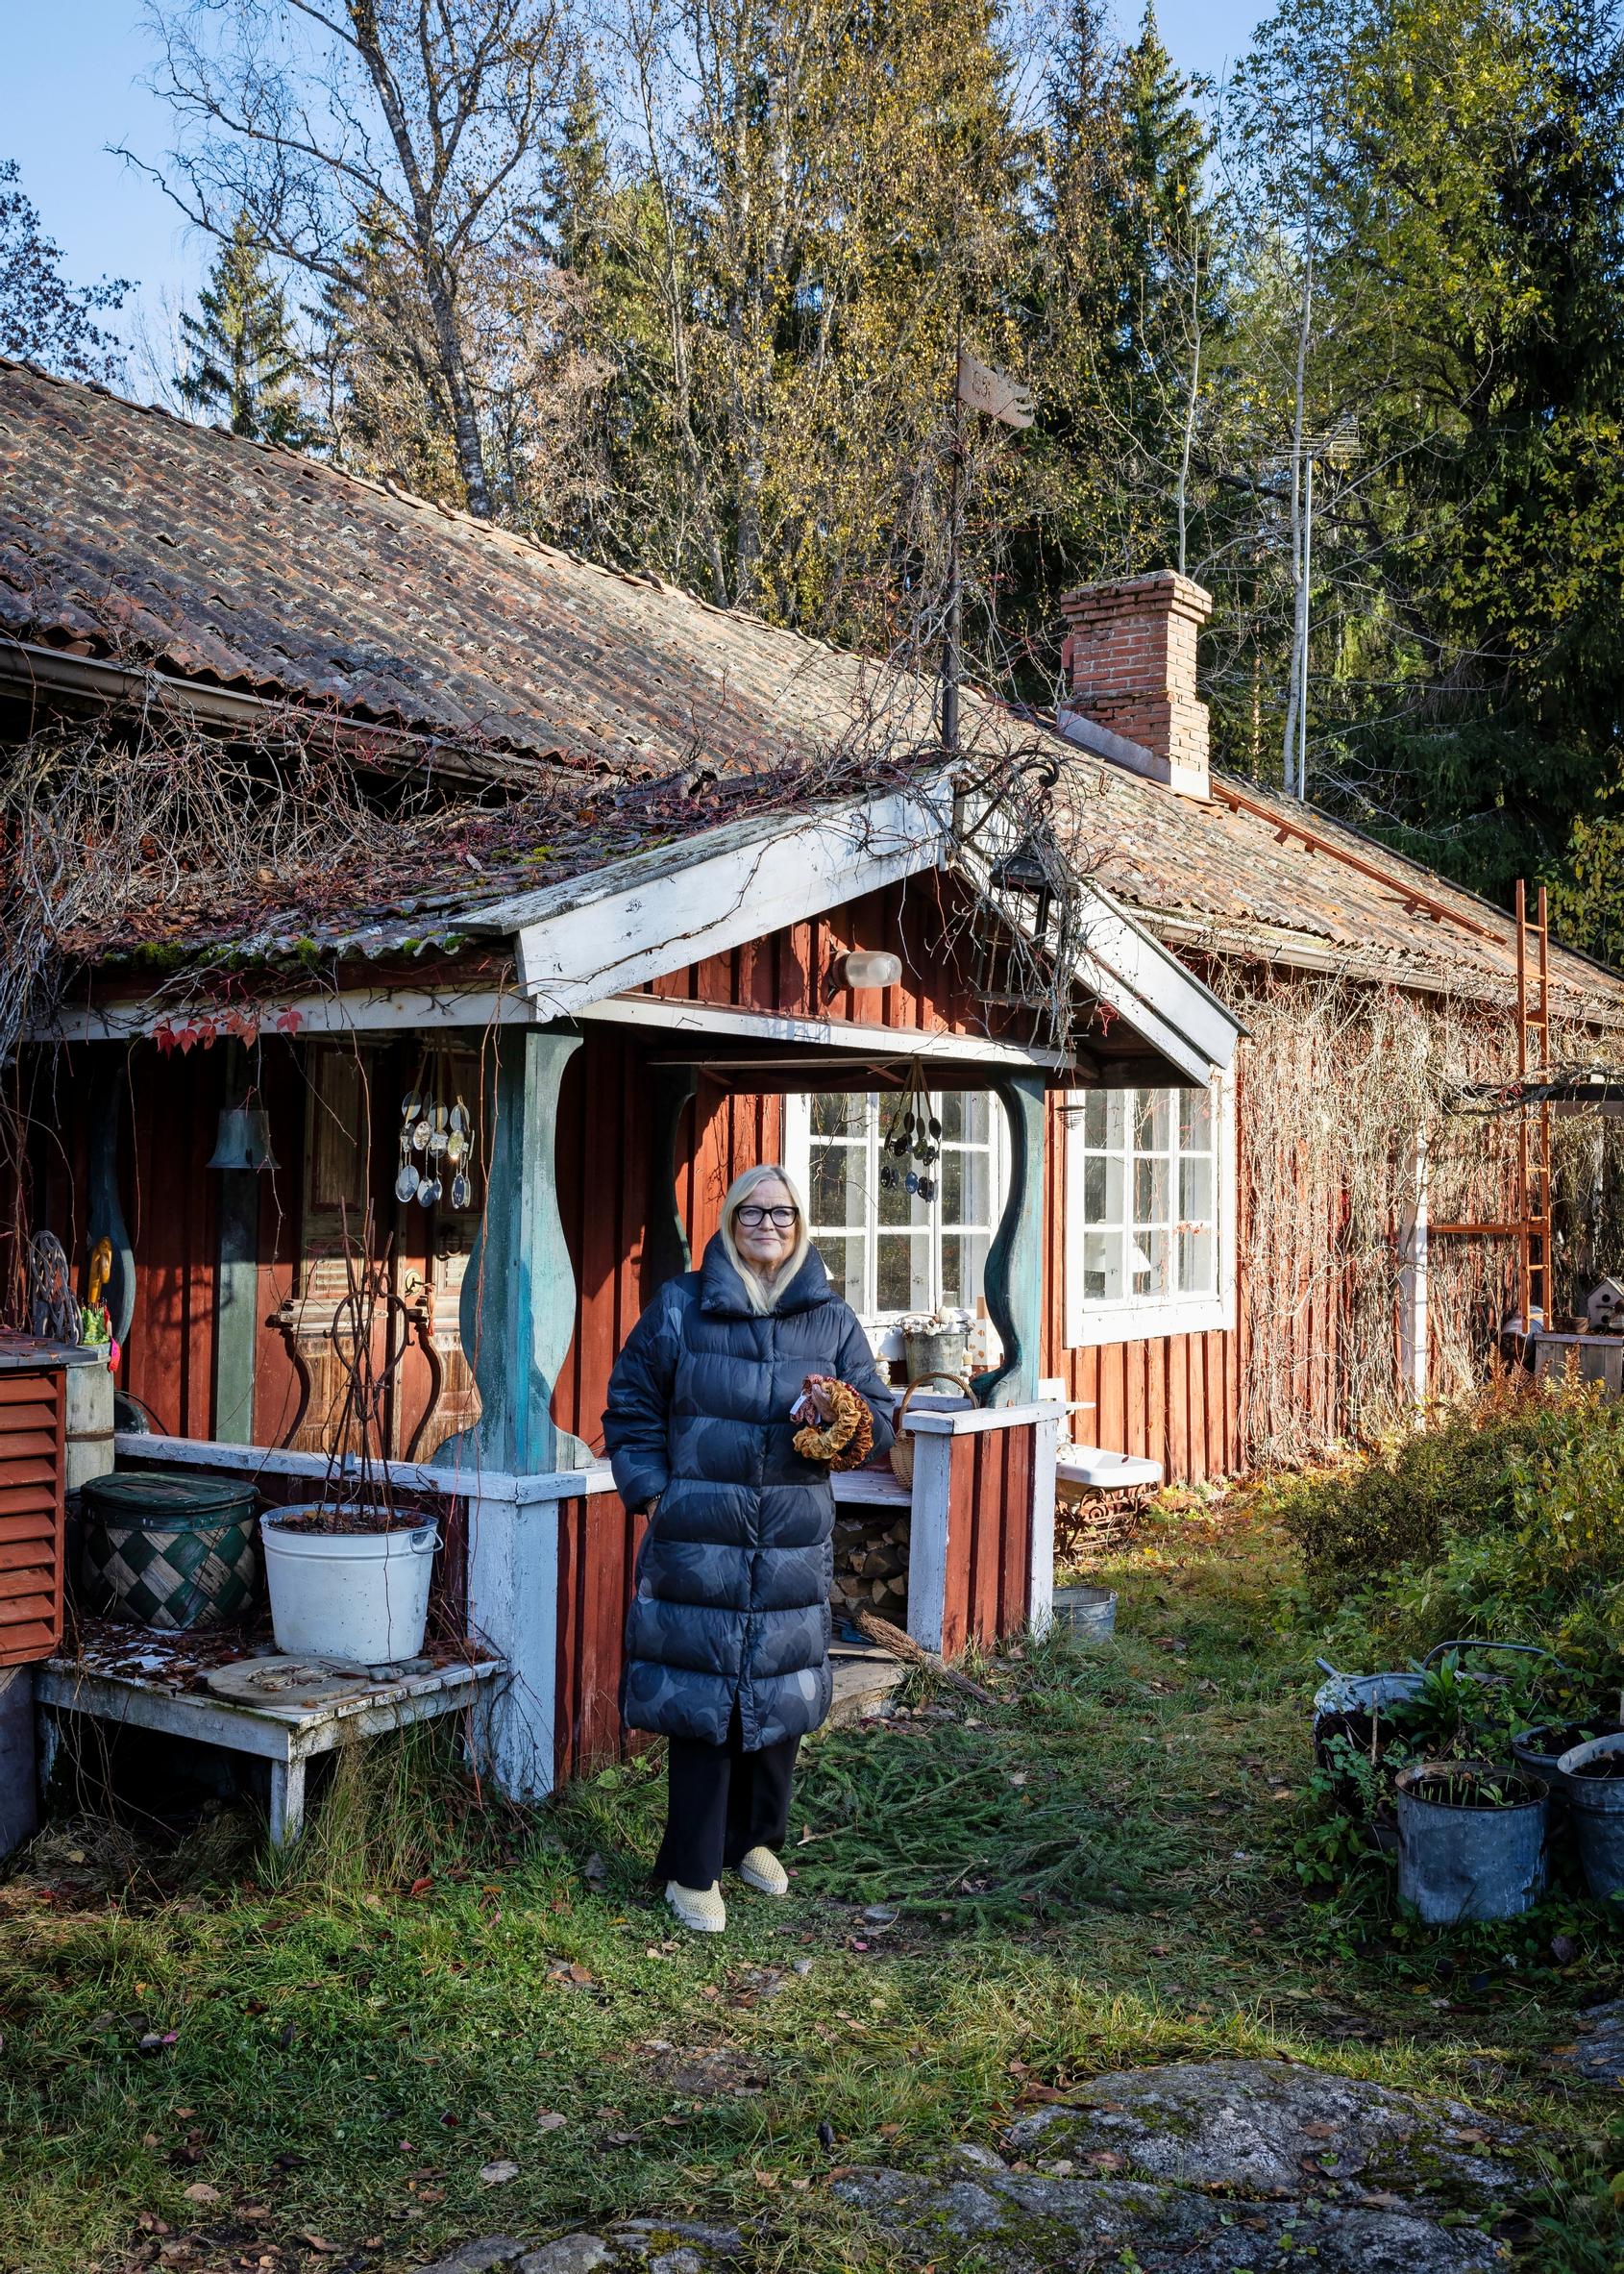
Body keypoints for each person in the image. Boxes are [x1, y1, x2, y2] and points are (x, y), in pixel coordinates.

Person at [603, 1161, 895, 1933]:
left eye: (784, 1214)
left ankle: (755, 1842)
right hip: (701, 1539)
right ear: (730, 1225)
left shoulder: (831, 1319)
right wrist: (654, 1490)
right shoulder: (681, 1308)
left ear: (802, 1228)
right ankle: (691, 1873)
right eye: (753, 1214)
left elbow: (880, 1421)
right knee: (703, 1708)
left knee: (782, 1703)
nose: (769, 1226)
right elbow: (629, 1403)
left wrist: (848, 1414)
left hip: (792, 1543)